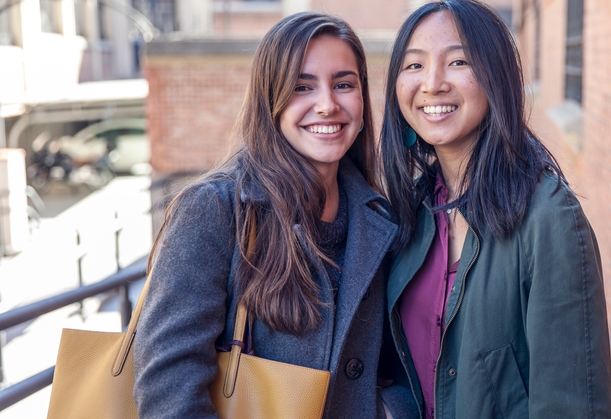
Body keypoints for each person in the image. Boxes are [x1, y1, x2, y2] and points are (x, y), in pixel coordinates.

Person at [133, 12, 417, 419]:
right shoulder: (217, 208)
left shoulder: (380, 216)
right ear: (271, 97)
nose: (327, 104)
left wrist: (391, 410)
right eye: (303, 86)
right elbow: (168, 386)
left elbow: (398, 364)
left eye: (343, 84)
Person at [380, 1, 611, 418]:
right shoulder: (410, 210)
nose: (432, 83)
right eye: (414, 66)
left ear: (496, 75)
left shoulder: (549, 219)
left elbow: (572, 407)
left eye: (458, 61)